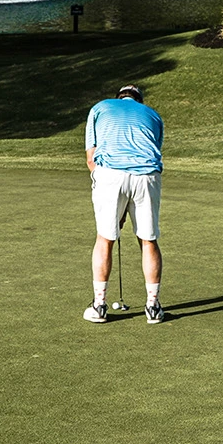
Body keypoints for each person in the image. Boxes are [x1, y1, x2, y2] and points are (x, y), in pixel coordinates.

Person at [84, 84, 167, 324]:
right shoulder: (153, 115)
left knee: (105, 238)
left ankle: (99, 306)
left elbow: (91, 158)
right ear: (139, 100)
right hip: (147, 176)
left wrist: (116, 211)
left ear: (119, 97)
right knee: (148, 239)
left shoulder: (100, 108)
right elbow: (153, 151)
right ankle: (153, 307)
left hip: (110, 174)